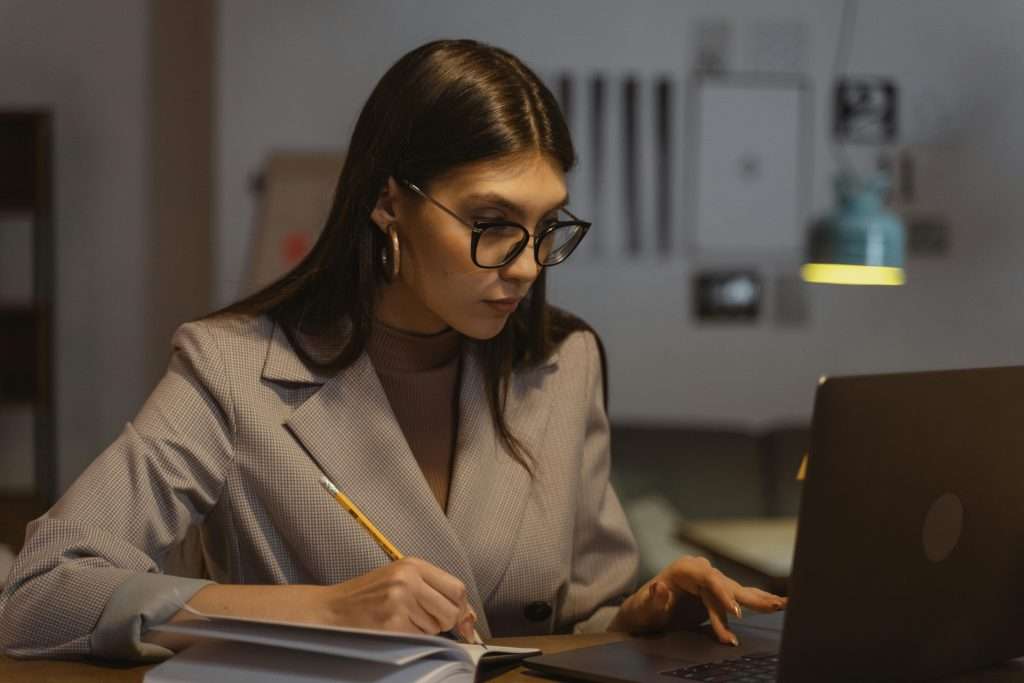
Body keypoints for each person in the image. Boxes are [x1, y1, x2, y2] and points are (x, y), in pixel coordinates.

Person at [0, 39, 784, 661]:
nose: (526, 263)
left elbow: (574, 621)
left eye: (548, 227)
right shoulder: (231, 369)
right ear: (388, 204)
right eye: (491, 222)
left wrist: (642, 613)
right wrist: (322, 610)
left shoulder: (561, 361)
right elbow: (42, 595)